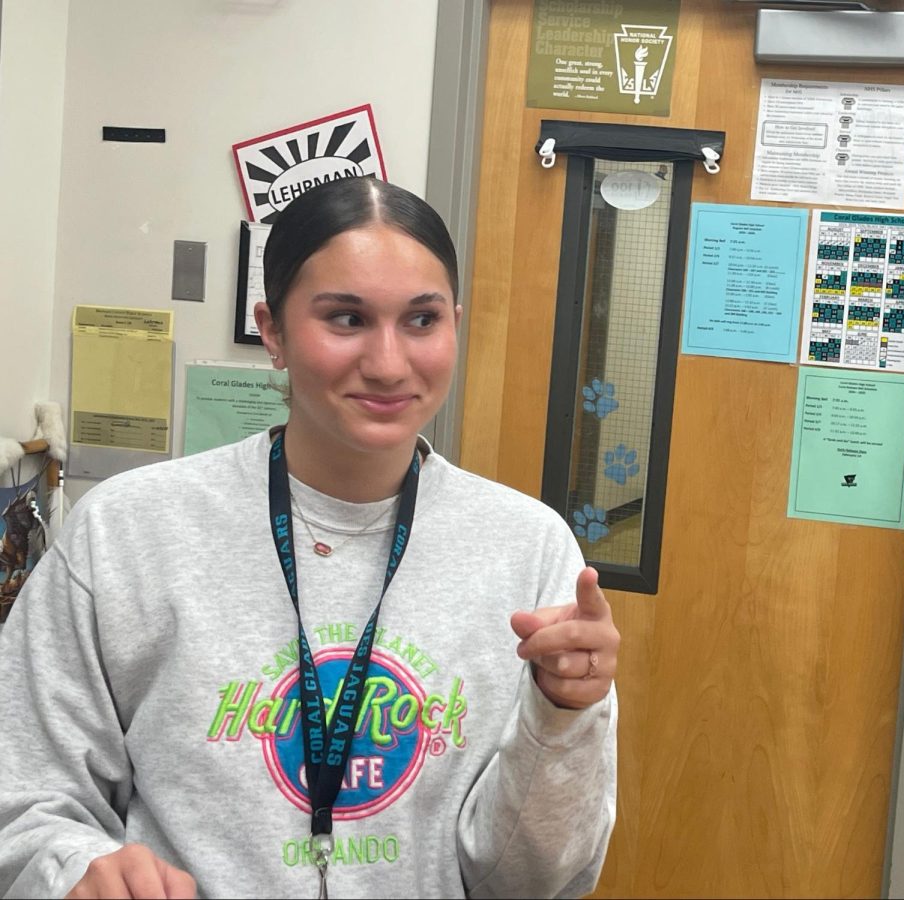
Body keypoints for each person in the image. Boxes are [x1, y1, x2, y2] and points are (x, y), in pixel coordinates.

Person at [0, 177, 619, 899]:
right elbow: (25, 797)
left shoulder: (530, 551)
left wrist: (566, 713)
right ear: (272, 331)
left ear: (455, 322)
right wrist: (74, 867)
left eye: (421, 321)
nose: (389, 363)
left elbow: (531, 882)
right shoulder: (129, 533)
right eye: (347, 319)